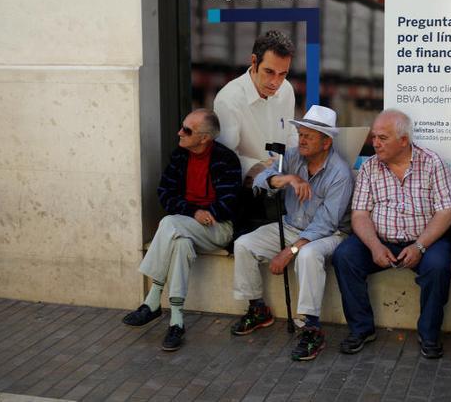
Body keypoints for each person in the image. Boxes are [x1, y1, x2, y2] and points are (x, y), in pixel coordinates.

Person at [231, 105, 353, 362]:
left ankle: (311, 326)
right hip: (291, 225)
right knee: (243, 244)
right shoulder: (294, 157)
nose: (302, 138)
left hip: (329, 234)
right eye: (301, 132)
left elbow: (326, 223)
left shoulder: (339, 173)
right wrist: (286, 179)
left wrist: (290, 251)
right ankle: (257, 308)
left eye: (309, 135)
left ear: (326, 142)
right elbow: (261, 179)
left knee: (307, 255)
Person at [332, 109, 451, 359]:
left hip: (424, 240)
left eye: (383, 138)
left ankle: (429, 334)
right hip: (380, 240)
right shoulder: (369, 167)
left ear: (403, 140)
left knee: (439, 265)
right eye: (374, 137)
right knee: (344, 256)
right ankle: (361, 329)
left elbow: (446, 213)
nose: (375, 143)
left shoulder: (432, 163)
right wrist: (375, 246)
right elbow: (359, 215)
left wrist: (420, 246)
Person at [121, 109, 240, 352]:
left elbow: (231, 200)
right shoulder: (179, 156)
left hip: (218, 228)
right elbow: (165, 192)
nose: (179, 133)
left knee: (168, 223)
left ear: (205, 137)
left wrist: (210, 213)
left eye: (187, 130)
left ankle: (153, 299)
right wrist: (192, 211)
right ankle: (176, 321)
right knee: (180, 242)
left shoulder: (225, 159)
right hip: (186, 225)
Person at [213, 30, 299, 182]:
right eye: (269, 72)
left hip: (282, 184)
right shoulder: (228, 100)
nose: (276, 82)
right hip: (246, 190)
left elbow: (290, 134)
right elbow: (223, 159)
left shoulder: (286, 89)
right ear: (254, 62)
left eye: (282, 74)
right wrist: (259, 166)